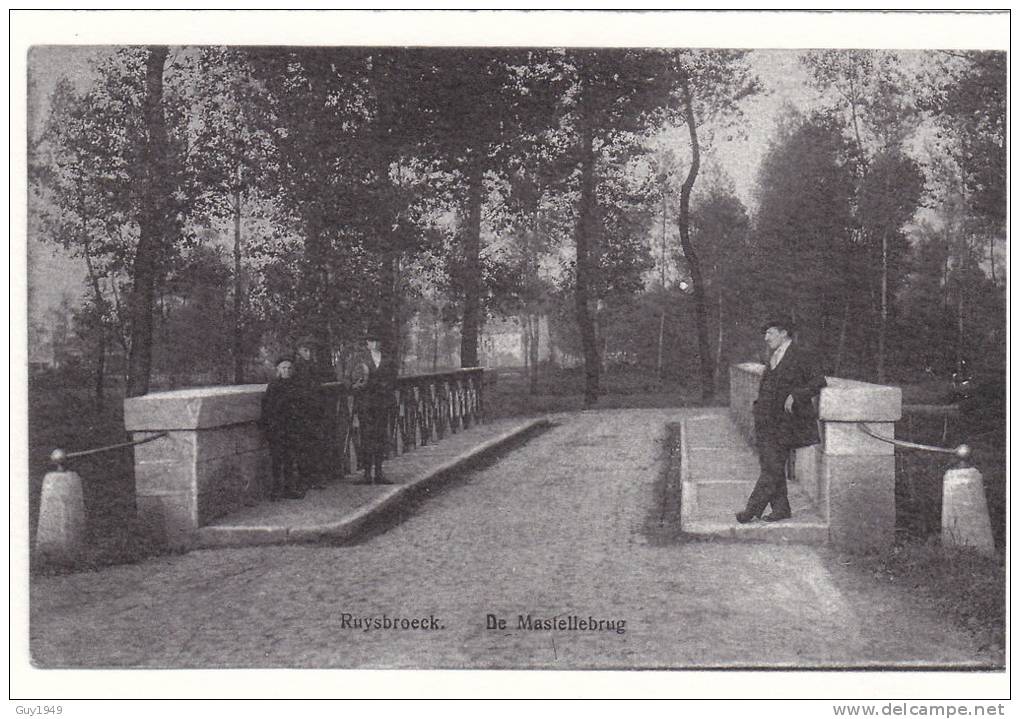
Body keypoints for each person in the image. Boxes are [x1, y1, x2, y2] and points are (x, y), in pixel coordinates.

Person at [736, 316, 826, 523]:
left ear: (784, 333)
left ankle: (751, 510)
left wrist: (797, 395)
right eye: (765, 334)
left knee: (773, 467)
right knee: (770, 465)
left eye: (770, 333)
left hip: (787, 423)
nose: (766, 338)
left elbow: (819, 380)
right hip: (766, 421)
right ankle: (781, 508)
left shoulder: (801, 355)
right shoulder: (773, 356)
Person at [259, 357, 306, 500]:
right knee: (276, 459)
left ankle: (289, 488)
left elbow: (301, 406)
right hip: (277, 428)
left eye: (289, 368)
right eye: (283, 368)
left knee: (290, 458)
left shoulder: (296, 385)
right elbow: (266, 408)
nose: (286, 371)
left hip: (292, 427)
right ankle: (276, 490)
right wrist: (267, 428)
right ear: (278, 370)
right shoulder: (273, 386)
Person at [293, 336, 334, 490]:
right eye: (306, 350)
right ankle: (305, 479)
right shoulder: (296, 367)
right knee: (304, 446)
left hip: (314, 410)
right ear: (299, 351)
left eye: (311, 351)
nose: (309, 353)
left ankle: (313, 478)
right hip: (303, 411)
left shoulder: (313, 366)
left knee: (314, 444)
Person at [353, 338, 393, 485]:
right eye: (371, 341)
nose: (375, 344)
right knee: (366, 437)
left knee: (381, 436)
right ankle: (367, 474)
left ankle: (379, 472)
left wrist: (385, 387)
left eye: (377, 341)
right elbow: (351, 378)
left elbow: (392, 379)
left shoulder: (388, 359)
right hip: (366, 404)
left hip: (382, 403)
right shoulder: (360, 358)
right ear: (367, 343)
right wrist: (356, 385)